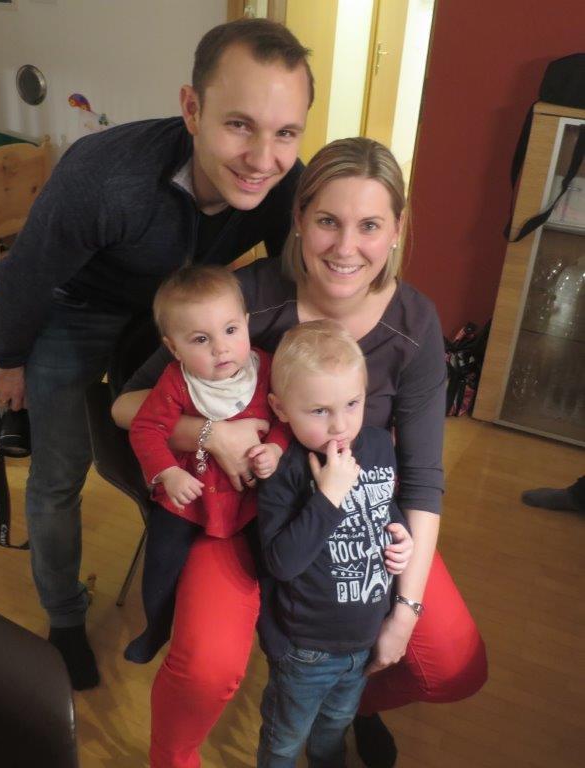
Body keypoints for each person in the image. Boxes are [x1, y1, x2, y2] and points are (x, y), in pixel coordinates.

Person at [114, 137, 488, 768]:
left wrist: (403, 614)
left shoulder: (414, 324)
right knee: (205, 668)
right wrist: (211, 434)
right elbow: (128, 404)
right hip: (241, 516)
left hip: (355, 524)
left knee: (454, 664)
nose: (345, 247)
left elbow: (423, 478)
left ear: (397, 229)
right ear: (298, 219)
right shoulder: (244, 299)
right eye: (327, 221)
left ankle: (347, 699)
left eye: (370, 225)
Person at [0, 17, 313, 690]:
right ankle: (65, 618)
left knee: (170, 454)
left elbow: (302, 276)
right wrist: (8, 359)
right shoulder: (103, 175)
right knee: (58, 475)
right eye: (240, 125)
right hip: (75, 310)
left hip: (180, 314)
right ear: (192, 109)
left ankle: (192, 580)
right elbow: (25, 274)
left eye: (286, 132)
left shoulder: (285, 183)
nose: (263, 158)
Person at [256, 319, 413, 767]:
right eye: (319, 411)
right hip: (306, 647)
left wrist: (401, 533)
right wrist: (328, 496)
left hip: (363, 639)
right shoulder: (285, 469)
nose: (340, 425)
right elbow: (281, 562)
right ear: (281, 408)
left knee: (335, 728)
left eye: (352, 403)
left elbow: (383, 504)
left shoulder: (377, 444)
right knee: (285, 741)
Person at [126, 265, 288, 663]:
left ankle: (276, 636)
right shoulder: (176, 382)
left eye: (231, 330)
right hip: (190, 495)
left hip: (252, 497)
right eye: (201, 339)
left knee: (274, 563)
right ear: (174, 348)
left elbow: (287, 419)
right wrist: (168, 472)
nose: (221, 348)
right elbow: (145, 428)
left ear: (247, 323)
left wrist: (276, 449)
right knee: (161, 565)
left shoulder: (267, 368)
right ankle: (156, 626)